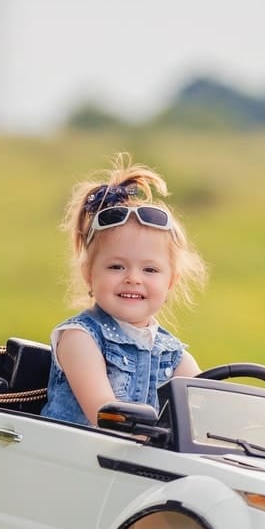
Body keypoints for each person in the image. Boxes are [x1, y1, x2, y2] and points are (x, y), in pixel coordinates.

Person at [40, 154, 208, 426]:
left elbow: (207, 409)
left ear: (170, 283)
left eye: (150, 270)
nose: (133, 278)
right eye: (117, 267)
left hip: (131, 464)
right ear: (89, 275)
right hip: (76, 460)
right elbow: (106, 417)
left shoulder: (173, 354)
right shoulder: (81, 340)